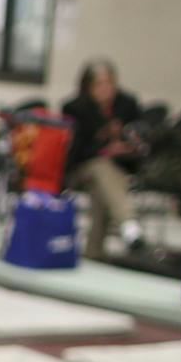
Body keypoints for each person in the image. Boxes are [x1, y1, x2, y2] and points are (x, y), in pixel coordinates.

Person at [62, 56, 144, 256]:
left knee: (102, 189)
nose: (105, 89)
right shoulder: (75, 109)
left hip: (116, 171)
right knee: (100, 167)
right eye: (99, 84)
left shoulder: (127, 104)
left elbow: (141, 133)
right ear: (88, 87)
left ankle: (94, 253)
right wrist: (105, 149)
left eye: (109, 83)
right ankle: (128, 221)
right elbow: (74, 152)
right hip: (81, 169)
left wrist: (127, 146)